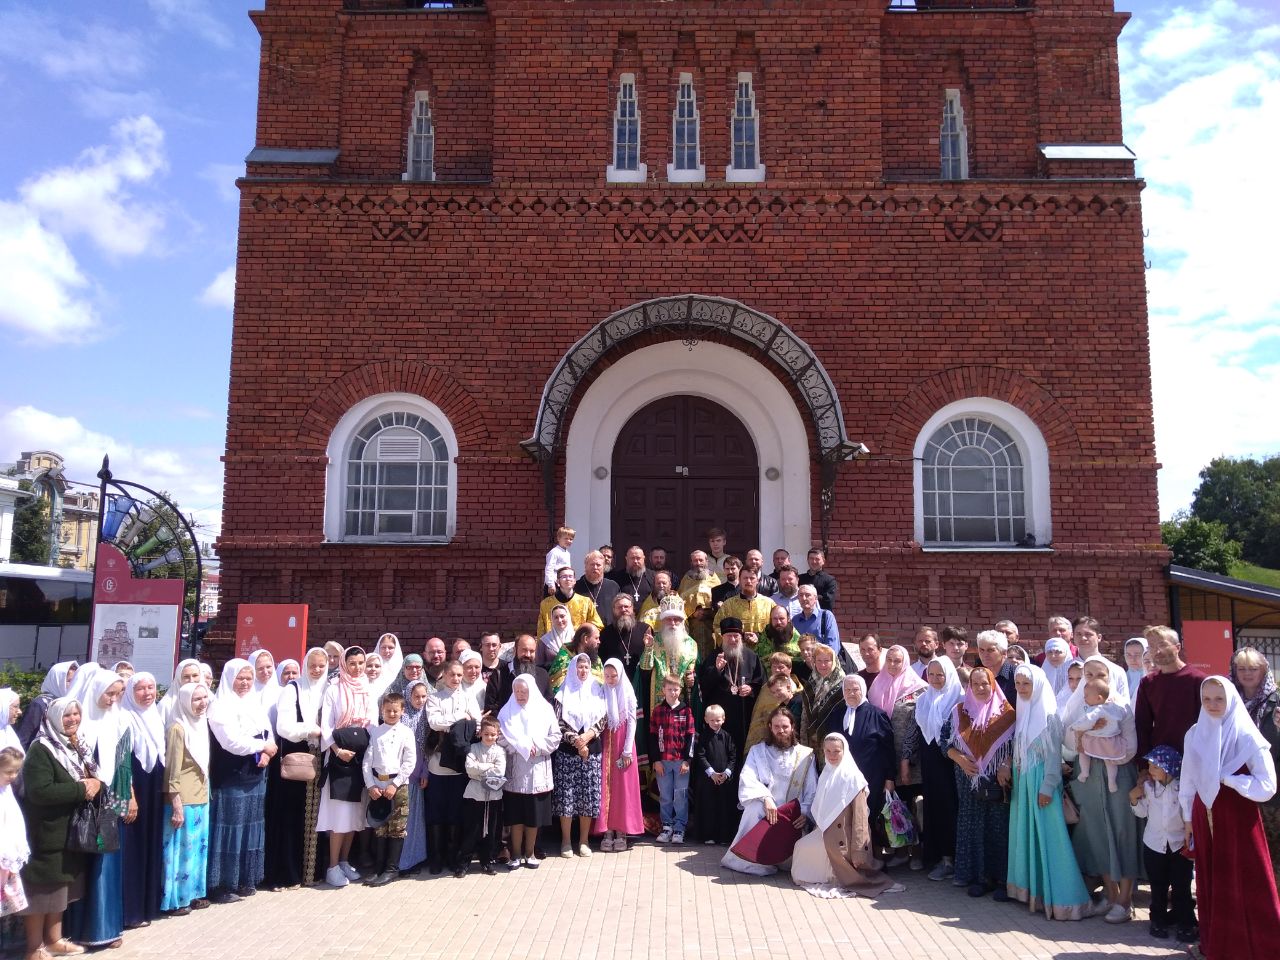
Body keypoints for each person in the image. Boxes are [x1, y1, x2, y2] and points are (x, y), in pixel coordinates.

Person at [1180, 677, 1280, 960]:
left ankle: (1255, 945)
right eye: (1207, 699)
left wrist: (1232, 781)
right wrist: (1187, 817)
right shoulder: (1194, 733)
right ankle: (1216, 944)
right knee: (1211, 879)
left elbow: (1267, 786)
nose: (1213, 705)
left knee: (1244, 878)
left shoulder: (1247, 737)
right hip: (1204, 814)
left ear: (1232, 700)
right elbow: (1188, 777)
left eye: (1219, 699)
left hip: (1237, 817)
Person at [1006, 664, 1089, 920]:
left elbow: (1053, 758)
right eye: (1018, 684)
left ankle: (1066, 900)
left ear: (1038, 685)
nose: (1021, 689)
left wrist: (1047, 787)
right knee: (1028, 835)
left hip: (1042, 784)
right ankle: (1034, 892)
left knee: (1051, 839)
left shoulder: (1050, 716)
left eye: (1026, 684)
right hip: (1024, 782)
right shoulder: (1023, 711)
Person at [19, 696, 99, 960]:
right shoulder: (41, 749)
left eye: (76, 714)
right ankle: (33, 948)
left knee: (61, 888)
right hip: (48, 831)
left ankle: (54, 940)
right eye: (67, 716)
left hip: (71, 830)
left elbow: (91, 776)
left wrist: (96, 784)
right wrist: (81, 788)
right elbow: (39, 791)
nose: (73, 719)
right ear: (53, 718)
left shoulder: (76, 745)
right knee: (42, 891)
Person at [1062, 654, 1140, 923]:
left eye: (1101, 676)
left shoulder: (1122, 708)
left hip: (1119, 776)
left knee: (1123, 832)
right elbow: (1071, 741)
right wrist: (1088, 738)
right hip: (1091, 775)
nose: (1094, 680)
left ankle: (1125, 899)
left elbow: (1129, 749)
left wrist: (1092, 742)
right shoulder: (1081, 705)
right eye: (1089, 676)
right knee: (1098, 833)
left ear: (1112, 678)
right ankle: (1109, 894)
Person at [62, 664, 129, 948]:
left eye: (117, 694)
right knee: (83, 863)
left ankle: (106, 928)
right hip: (83, 802)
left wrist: (124, 797)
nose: (112, 699)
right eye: (108, 694)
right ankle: (79, 929)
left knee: (106, 862)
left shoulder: (116, 721)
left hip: (108, 800)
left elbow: (122, 764)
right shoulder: (79, 725)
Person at [792, 733, 901, 898]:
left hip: (845, 838)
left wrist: (859, 850)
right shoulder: (826, 775)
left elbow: (861, 818)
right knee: (800, 846)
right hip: (825, 832)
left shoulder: (854, 778)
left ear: (845, 751)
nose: (832, 755)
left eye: (836, 751)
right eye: (828, 751)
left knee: (806, 850)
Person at [206, 658, 276, 903]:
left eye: (249, 678)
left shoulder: (253, 702)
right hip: (231, 777)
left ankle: (245, 879)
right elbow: (230, 741)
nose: (246, 683)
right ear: (229, 678)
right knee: (230, 830)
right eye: (241, 678)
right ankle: (221, 884)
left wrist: (268, 751)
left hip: (255, 775)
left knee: (250, 827)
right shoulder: (219, 705)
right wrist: (262, 746)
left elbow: (267, 731)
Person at [721, 708, 817, 877]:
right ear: (770, 727)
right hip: (766, 812)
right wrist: (765, 798)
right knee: (753, 808)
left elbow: (812, 789)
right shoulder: (757, 751)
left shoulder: (806, 755)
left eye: (785, 726)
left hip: (791, 818)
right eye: (777, 726)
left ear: (793, 727)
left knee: (791, 865)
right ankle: (748, 860)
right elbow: (747, 778)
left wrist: (805, 812)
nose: (781, 730)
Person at [946, 666, 1015, 900]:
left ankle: (1003, 880)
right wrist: (961, 759)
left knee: (999, 829)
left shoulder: (1007, 713)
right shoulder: (959, 712)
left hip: (998, 781)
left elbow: (1016, 744)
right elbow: (945, 744)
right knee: (973, 827)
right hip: (968, 780)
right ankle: (979, 878)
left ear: (992, 684)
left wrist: (1006, 764)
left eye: (985, 683)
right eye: (976, 684)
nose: (981, 688)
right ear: (969, 686)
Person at [268, 646, 328, 888]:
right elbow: (283, 726)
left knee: (318, 817)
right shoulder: (293, 689)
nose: (316, 670)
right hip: (297, 757)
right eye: (312, 665)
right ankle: (290, 873)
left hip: (322, 758)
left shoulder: (329, 689)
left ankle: (314, 873)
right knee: (292, 817)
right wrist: (310, 729)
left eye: (321, 666)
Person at [867, 645, 928, 869]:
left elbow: (917, 725)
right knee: (894, 804)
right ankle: (899, 849)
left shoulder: (919, 688)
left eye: (897, 660)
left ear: (905, 662)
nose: (893, 664)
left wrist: (906, 758)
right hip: (885, 757)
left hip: (912, 760)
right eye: (889, 660)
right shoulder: (875, 686)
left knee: (915, 803)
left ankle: (919, 852)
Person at [318, 647, 373, 888]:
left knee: (354, 816)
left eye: (361, 663)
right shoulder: (333, 689)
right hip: (339, 758)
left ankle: (344, 861)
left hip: (360, 758)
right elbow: (326, 725)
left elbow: (371, 722)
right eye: (352, 663)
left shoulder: (367, 689)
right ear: (343, 664)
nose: (357, 668)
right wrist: (337, 751)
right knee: (339, 815)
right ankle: (331, 866)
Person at [1128, 746, 1193, 941]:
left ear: (1168, 768)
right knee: (1158, 885)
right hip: (1154, 844)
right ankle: (1158, 919)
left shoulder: (1183, 789)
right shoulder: (1148, 788)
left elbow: (1187, 815)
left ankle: (1186, 923)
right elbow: (1142, 813)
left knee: (1181, 886)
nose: (1150, 770)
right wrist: (1133, 799)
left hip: (1178, 844)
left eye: (1154, 766)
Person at [497, 676, 561, 869]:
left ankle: (530, 853)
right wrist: (520, 747)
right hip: (515, 771)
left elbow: (556, 736)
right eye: (516, 691)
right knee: (516, 817)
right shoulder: (506, 711)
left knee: (533, 817)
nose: (520, 695)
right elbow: (499, 736)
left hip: (537, 769)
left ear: (531, 691)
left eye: (524, 692)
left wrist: (538, 747)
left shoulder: (545, 709)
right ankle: (515, 854)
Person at [425, 660, 482, 875]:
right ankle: (437, 857)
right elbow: (434, 722)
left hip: (459, 763)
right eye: (453, 675)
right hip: (438, 763)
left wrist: (458, 723)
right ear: (444, 675)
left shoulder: (468, 697)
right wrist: (459, 718)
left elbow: (476, 723)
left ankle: (452, 854)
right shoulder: (435, 698)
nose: (456, 679)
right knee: (437, 811)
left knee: (456, 811)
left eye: (460, 675)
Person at [161, 682, 211, 916]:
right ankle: (176, 900)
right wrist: (176, 804)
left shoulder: (200, 724)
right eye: (196, 699)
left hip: (201, 795)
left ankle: (192, 894)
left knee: (197, 849)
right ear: (184, 701)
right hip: (184, 799)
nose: (202, 704)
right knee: (180, 850)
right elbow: (172, 769)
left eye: (204, 698)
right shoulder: (178, 728)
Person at [120, 673, 165, 929]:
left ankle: (148, 907)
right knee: (134, 848)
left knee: (150, 844)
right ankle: (131, 911)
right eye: (140, 689)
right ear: (130, 692)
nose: (147, 693)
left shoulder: (155, 715)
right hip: (136, 787)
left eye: (151, 687)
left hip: (154, 786)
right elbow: (123, 761)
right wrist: (130, 795)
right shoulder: (125, 718)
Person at [1232, 649, 1280, 883]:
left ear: (1264, 671)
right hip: (1237, 789)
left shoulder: (1277, 701)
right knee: (1247, 852)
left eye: (1253, 668)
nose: (1247, 673)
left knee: (1273, 853)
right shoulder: (1228, 702)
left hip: (1272, 792)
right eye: (1242, 668)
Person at [1135, 626, 1206, 782]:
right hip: (1160, 764)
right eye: (1152, 646)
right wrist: (1143, 766)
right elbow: (1142, 726)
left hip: (1194, 761)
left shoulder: (1199, 680)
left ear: (1177, 647)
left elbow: (1209, 725)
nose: (1157, 651)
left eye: (1162, 645)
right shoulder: (1148, 683)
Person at [552, 654, 606, 857]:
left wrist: (588, 736)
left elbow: (603, 718)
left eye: (586, 667)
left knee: (587, 796)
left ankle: (584, 841)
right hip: (568, 751)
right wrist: (576, 741)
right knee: (567, 796)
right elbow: (557, 722)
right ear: (573, 669)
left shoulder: (597, 690)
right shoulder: (562, 692)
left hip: (592, 750)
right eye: (579, 667)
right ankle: (566, 841)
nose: (583, 671)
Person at [916, 657, 962, 882]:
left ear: (949, 675)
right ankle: (937, 856)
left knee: (950, 807)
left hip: (952, 762)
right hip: (930, 760)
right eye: (930, 675)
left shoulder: (959, 699)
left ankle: (952, 859)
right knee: (933, 805)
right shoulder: (923, 700)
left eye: (940, 675)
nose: (934, 679)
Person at [361, 691, 414, 886]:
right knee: (380, 827)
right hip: (378, 784)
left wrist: (395, 784)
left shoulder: (406, 732)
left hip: (397, 786)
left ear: (402, 711)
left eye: (395, 711)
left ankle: (392, 869)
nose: (391, 714)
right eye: (387, 710)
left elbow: (409, 762)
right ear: (382, 710)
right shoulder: (375, 731)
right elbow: (367, 762)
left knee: (397, 828)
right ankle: (379, 868)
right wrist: (371, 785)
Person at [594, 659, 642, 851]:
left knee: (622, 786)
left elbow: (632, 720)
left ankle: (621, 831)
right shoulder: (601, 691)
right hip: (606, 739)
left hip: (623, 741)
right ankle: (607, 830)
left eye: (614, 676)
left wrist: (628, 749)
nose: (611, 680)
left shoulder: (627, 692)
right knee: (605, 784)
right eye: (607, 676)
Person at [697, 619, 762, 758]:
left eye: (736, 636)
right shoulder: (713, 657)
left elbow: (761, 682)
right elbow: (704, 686)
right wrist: (717, 670)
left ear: (741, 637)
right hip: (720, 719)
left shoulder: (751, 656)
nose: (733, 639)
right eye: (729, 636)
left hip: (745, 716)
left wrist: (751, 689)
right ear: (722, 637)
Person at [650, 675, 695, 845]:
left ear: (681, 690)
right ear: (663, 691)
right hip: (663, 762)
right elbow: (653, 737)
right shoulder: (658, 711)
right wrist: (656, 760)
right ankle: (667, 826)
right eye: (669, 689)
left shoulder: (686, 711)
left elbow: (691, 737)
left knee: (680, 796)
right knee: (666, 796)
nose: (673, 692)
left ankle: (679, 828)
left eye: (676, 689)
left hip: (680, 762)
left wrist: (687, 761)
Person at [458, 717, 506, 876]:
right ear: (480, 734)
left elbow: (499, 772)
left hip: (493, 795)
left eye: (493, 735)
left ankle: (487, 861)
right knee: (472, 830)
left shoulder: (500, 751)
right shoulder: (473, 748)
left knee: (490, 831)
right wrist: (489, 767)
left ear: (498, 735)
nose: (490, 737)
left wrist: (480, 770)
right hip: (474, 794)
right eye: (487, 734)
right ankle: (464, 863)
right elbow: (470, 768)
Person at [1070, 676, 1128, 792]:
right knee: (1110, 761)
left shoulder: (1096, 710)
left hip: (1095, 740)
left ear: (1098, 698)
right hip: (1110, 741)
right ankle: (1112, 782)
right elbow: (1122, 715)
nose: (1084, 698)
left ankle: (1084, 772)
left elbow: (1087, 722)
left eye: (1086, 696)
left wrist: (1075, 726)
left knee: (1083, 753)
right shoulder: (1114, 706)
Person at [397, 681, 431, 875]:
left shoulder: (426, 716)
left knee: (417, 819)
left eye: (423, 696)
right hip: (403, 774)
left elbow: (427, 747)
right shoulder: (403, 717)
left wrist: (425, 771)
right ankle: (402, 861)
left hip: (419, 775)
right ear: (408, 697)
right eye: (416, 697)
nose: (420, 700)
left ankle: (416, 858)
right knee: (404, 819)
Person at [693, 705, 738, 846]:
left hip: (724, 780)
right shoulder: (703, 736)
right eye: (711, 720)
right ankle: (708, 835)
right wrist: (711, 773)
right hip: (708, 779)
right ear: (706, 720)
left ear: (723, 719)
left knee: (724, 808)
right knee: (709, 807)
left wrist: (727, 772)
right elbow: (700, 755)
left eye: (718, 720)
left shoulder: (727, 736)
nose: (715, 723)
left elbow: (733, 756)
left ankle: (724, 836)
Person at [483, 634, 552, 716]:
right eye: (524, 650)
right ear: (515, 650)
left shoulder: (542, 675)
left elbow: (549, 704)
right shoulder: (499, 675)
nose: (528, 655)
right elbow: (490, 709)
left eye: (532, 651)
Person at [746, 656, 803, 750]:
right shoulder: (780, 704)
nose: (776, 694)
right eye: (773, 692)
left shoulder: (799, 700)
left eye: (781, 667)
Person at [16, 662, 77, 750]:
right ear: (57, 681)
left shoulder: (72, 704)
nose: (72, 685)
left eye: (74, 681)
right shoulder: (41, 704)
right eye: (69, 681)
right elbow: (25, 738)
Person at [712, 569, 775, 648]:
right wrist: (740, 635)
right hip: (738, 652)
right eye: (745, 578)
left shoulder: (769, 603)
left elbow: (776, 627)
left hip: (764, 653)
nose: (748, 581)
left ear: (758, 580)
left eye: (752, 578)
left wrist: (759, 636)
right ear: (739, 580)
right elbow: (717, 627)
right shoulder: (728, 604)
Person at [800, 645, 846, 751]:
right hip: (811, 739)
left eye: (827, 660)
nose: (822, 665)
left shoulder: (843, 684)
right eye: (819, 660)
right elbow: (805, 713)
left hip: (833, 740)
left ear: (834, 661)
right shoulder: (812, 681)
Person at [0, 746, 28, 920]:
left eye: (17, 771)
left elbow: (14, 821)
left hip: (7, 858)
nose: (13, 776)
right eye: (8, 771)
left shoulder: (7, 791)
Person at [536, 566, 603, 637]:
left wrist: (583, 634)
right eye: (564, 577)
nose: (568, 579)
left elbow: (597, 625)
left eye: (570, 576)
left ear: (574, 581)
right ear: (558, 581)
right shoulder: (546, 604)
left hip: (577, 644)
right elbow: (541, 630)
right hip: (553, 644)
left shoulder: (585, 602)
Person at [677, 550, 720, 654]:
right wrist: (693, 614)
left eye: (701, 560)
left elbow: (720, 601)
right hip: (692, 626)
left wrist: (709, 612)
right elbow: (680, 603)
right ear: (691, 562)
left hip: (710, 625)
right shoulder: (686, 580)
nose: (698, 563)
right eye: (695, 560)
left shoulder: (714, 578)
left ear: (706, 561)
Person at [575, 550, 619, 627]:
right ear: (585, 566)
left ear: (604, 566)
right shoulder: (576, 587)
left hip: (608, 632)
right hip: (584, 633)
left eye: (598, 565)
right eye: (592, 564)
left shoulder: (613, 586)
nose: (595, 567)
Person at [792, 585, 839, 654]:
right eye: (801, 595)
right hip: (801, 662)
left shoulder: (826, 616)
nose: (804, 598)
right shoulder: (795, 620)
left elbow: (833, 646)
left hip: (822, 662)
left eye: (808, 595)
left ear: (815, 598)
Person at [975, 629, 1017, 704]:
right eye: (981, 650)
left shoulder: (1016, 676)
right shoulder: (978, 676)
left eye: (990, 650)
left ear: (1004, 652)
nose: (985, 655)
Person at [157, 660, 200, 727]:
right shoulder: (166, 705)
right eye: (186, 677)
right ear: (179, 678)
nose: (191, 680)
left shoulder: (208, 701)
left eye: (195, 675)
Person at [798, 547, 837, 612]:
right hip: (802, 616)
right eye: (811, 559)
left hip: (821, 617)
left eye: (817, 559)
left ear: (823, 561)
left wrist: (809, 596)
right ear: (807, 560)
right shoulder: (800, 579)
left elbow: (828, 601)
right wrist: (820, 596)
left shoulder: (830, 580)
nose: (814, 562)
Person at [537, 604, 574, 670]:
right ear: (552, 620)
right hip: (551, 678)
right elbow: (539, 666)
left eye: (562, 616)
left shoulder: (576, 639)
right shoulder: (545, 641)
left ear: (568, 617)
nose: (559, 620)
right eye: (556, 617)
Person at [543, 525, 574, 595]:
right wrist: (551, 584)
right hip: (554, 584)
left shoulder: (567, 553)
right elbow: (549, 569)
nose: (569, 541)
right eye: (566, 538)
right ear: (559, 538)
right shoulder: (554, 552)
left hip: (563, 584)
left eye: (571, 539)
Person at [1123, 638, 1149, 703]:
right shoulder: (1121, 677)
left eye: (1137, 655)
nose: (1132, 659)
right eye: (1128, 655)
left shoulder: (1153, 679)